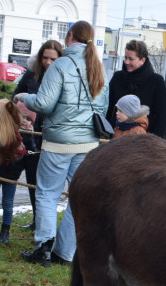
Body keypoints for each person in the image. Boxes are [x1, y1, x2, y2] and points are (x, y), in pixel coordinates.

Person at [14, 20, 107, 267]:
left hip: (58, 143)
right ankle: (64, 253)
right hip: (88, 144)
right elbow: (103, 107)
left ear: (70, 36)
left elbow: (44, 104)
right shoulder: (98, 67)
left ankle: (43, 249)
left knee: (47, 194)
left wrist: (24, 97)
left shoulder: (61, 65)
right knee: (78, 199)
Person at [13, 40, 63, 229]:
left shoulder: (62, 75)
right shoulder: (31, 75)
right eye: (45, 58)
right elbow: (16, 95)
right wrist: (21, 113)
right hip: (28, 134)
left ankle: (43, 222)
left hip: (49, 135)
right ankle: (36, 219)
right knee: (32, 180)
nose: (48, 62)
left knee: (46, 183)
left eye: (53, 59)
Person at [106, 39, 166, 139]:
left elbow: (162, 116)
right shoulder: (117, 78)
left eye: (131, 59)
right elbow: (108, 108)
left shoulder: (156, 81)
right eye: (125, 58)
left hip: (144, 141)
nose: (126, 62)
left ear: (143, 60)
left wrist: (155, 142)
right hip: (115, 138)